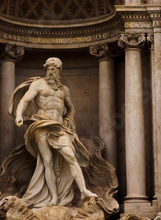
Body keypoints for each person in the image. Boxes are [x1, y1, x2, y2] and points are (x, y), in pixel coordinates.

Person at [12, 57, 97, 207]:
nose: (53, 71)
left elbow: (71, 108)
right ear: (46, 69)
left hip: (59, 127)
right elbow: (24, 101)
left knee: (71, 156)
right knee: (48, 162)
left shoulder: (64, 89)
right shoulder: (38, 84)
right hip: (41, 124)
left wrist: (69, 119)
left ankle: (83, 190)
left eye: (56, 69)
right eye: (50, 69)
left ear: (60, 71)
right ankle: (53, 198)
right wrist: (19, 115)